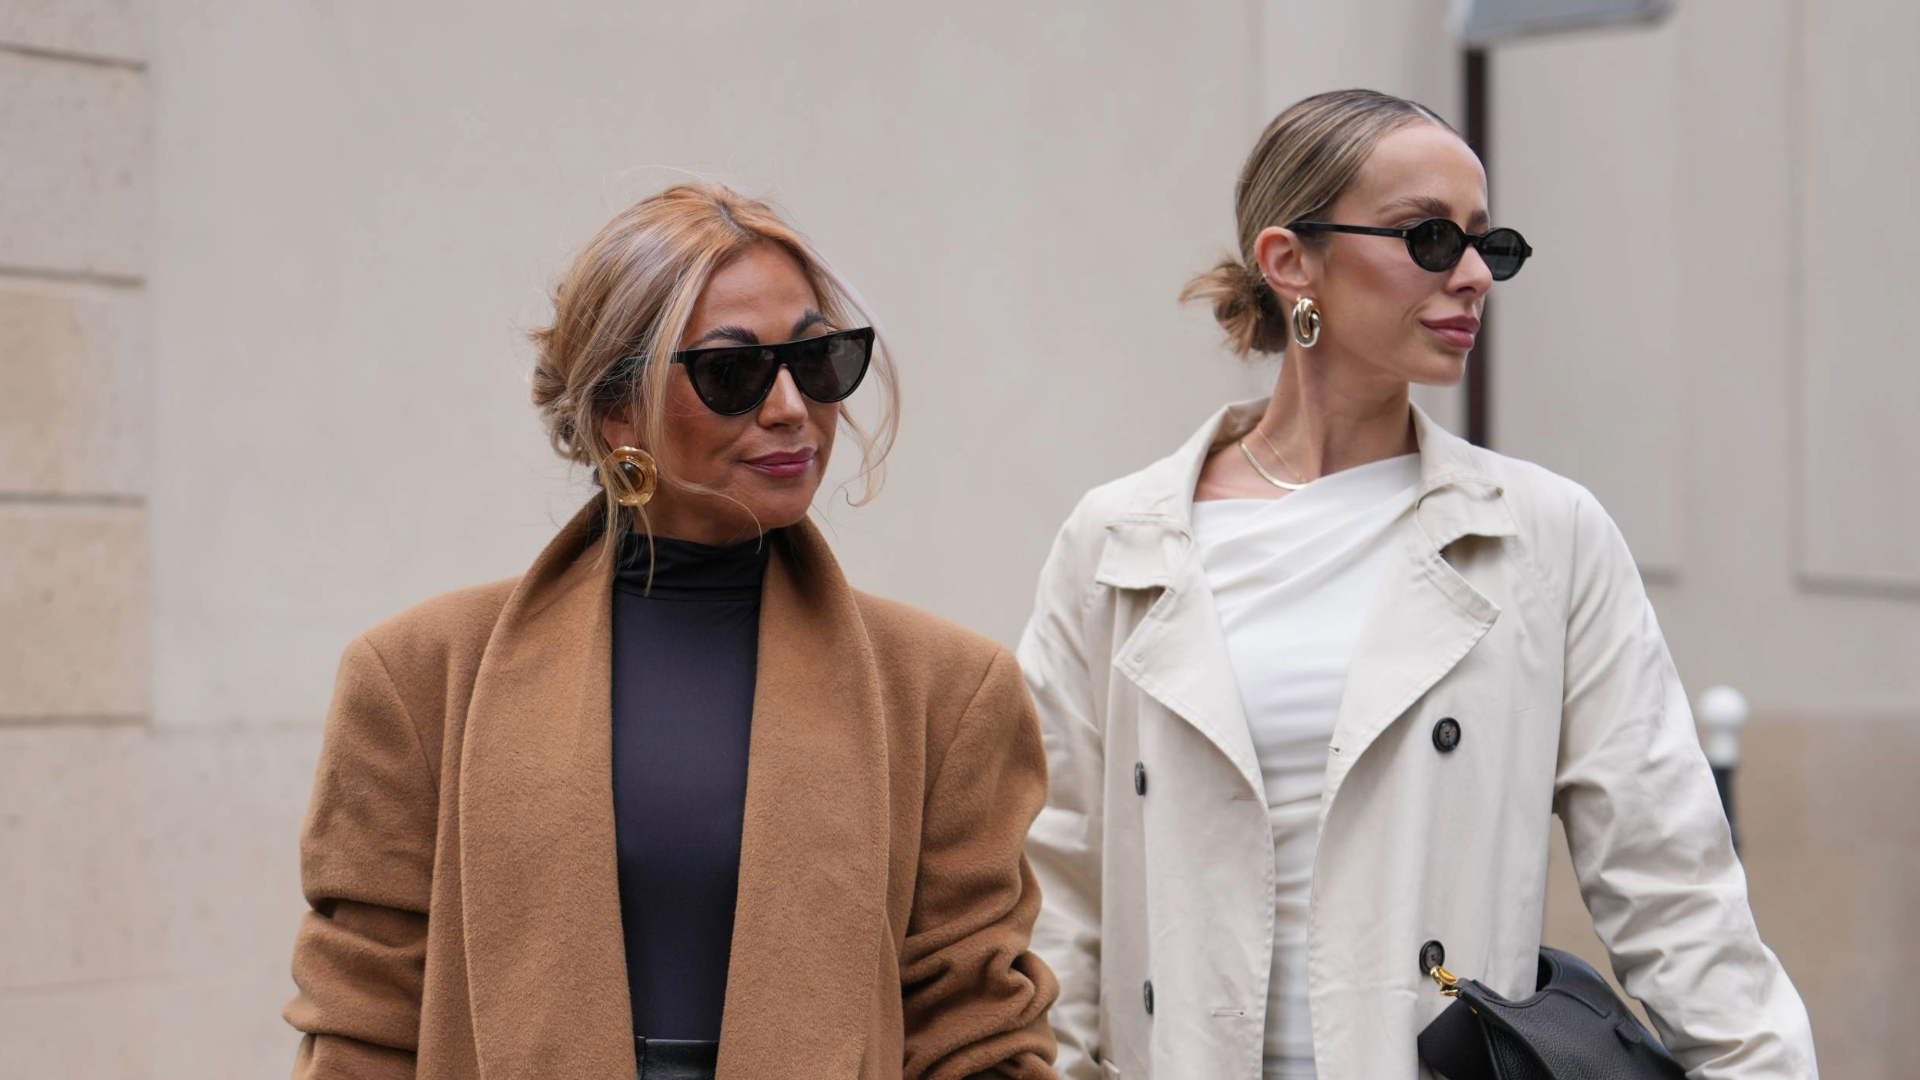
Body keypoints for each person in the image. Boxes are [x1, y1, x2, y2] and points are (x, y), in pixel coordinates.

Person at [1019, 89, 1816, 1080]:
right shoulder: (1120, 539)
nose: (1475, 274)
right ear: (1289, 262)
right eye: (1430, 238)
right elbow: (1049, 884)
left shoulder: (1542, 536)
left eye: (1489, 243)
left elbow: (1673, 883)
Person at [285, 182, 1059, 1080]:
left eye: (818, 361)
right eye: (732, 373)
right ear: (617, 411)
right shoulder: (418, 677)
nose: (789, 408)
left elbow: (976, 1030)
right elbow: (363, 1025)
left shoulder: (948, 692)